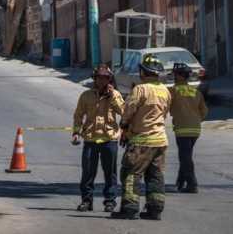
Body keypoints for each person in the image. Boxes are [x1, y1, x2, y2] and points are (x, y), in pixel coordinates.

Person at [111, 55, 172, 221]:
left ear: (143, 72)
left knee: (131, 173)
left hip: (141, 141)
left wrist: (124, 126)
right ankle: (155, 209)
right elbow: (164, 113)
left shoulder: (140, 89)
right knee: (155, 175)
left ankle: (129, 208)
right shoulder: (165, 90)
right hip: (160, 141)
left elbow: (129, 110)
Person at [72, 64, 125, 213]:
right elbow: (78, 115)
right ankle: (86, 201)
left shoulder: (115, 95)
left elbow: (123, 111)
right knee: (88, 173)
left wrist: (112, 96)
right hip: (91, 139)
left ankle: (110, 201)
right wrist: (76, 132)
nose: (102, 81)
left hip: (109, 139)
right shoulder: (86, 95)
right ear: (94, 79)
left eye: (105, 78)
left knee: (110, 173)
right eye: (99, 78)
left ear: (110, 80)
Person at [169, 62, 208, 194]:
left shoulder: (173, 91)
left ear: (180, 76)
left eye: (175, 74)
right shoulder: (195, 91)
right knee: (186, 156)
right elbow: (204, 111)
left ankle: (192, 184)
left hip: (182, 129)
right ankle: (180, 182)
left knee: (185, 157)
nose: (174, 77)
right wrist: (195, 120)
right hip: (195, 129)